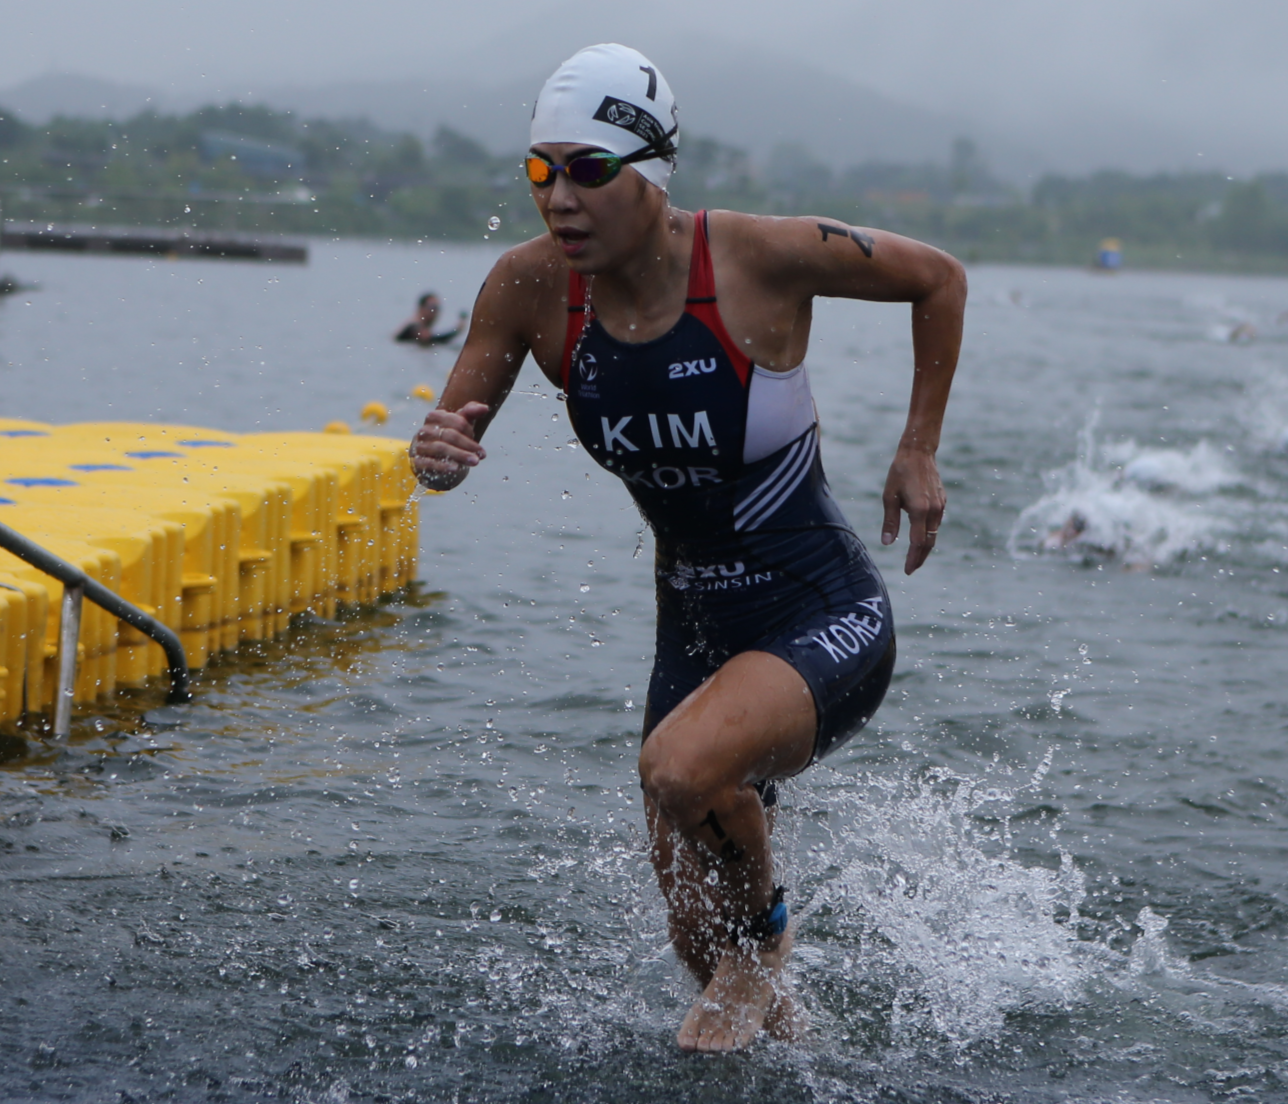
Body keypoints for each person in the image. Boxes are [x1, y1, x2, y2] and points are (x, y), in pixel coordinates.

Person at [409, 43, 964, 1053]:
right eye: (541, 170)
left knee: (679, 775)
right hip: (694, 638)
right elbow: (449, 445)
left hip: (820, 613)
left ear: (650, 171)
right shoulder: (527, 290)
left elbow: (937, 279)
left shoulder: (757, 257)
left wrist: (915, 450)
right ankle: (794, 1042)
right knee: (688, 935)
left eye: (587, 169)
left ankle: (765, 947)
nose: (558, 199)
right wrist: (435, 456)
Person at [394, 292, 467, 346]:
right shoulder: (415, 326)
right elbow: (427, 339)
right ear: (421, 308)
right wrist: (455, 331)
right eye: (432, 308)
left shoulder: (418, 326)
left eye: (437, 308)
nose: (434, 312)